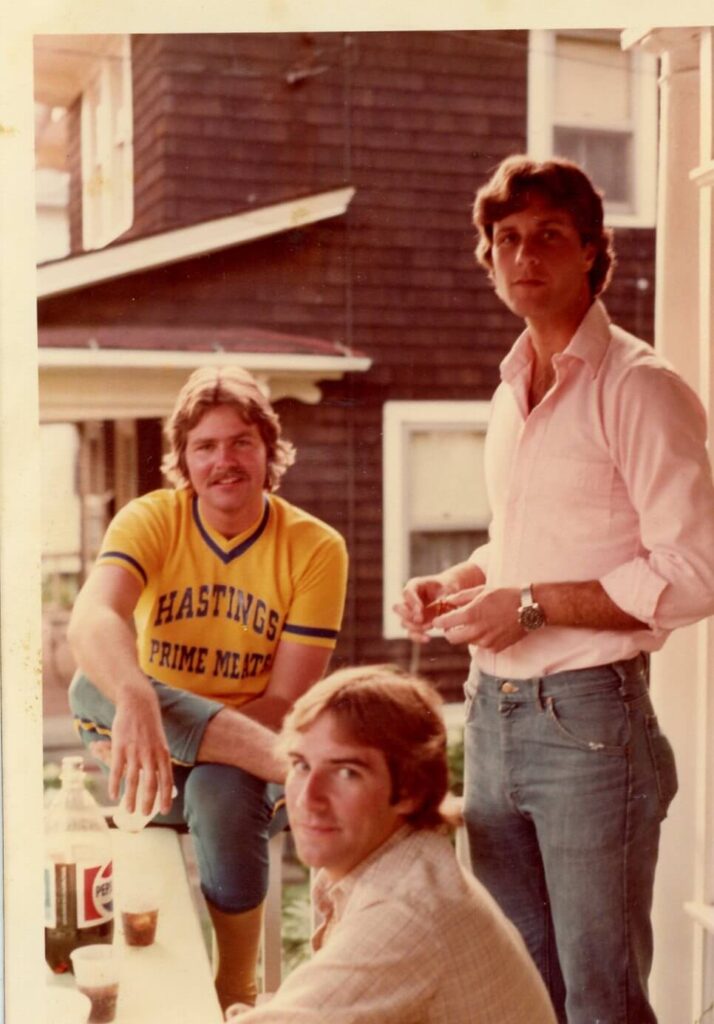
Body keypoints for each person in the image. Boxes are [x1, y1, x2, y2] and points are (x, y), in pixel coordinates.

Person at [394, 155, 714, 1024]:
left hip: (588, 725)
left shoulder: (639, 387)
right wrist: (457, 580)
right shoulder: (512, 388)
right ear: (488, 258)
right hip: (492, 719)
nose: (524, 256)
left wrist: (530, 605)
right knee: (519, 993)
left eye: (548, 236)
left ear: (591, 252)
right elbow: (521, 543)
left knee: (600, 1001)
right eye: (506, 239)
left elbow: (694, 571)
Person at [67, 365, 348, 1009]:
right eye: (205, 446)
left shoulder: (315, 547)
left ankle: (235, 986)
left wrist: (178, 739)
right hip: (154, 762)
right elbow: (91, 618)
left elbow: (285, 703)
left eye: (242, 442)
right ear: (184, 460)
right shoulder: (152, 518)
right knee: (92, 683)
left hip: (230, 768)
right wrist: (137, 697)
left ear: (269, 451)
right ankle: (292, 769)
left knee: (219, 789)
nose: (225, 460)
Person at [226, 664, 557, 1023]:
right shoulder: (402, 863)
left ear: (410, 791)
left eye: (347, 772)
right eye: (301, 765)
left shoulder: (404, 910)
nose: (308, 798)